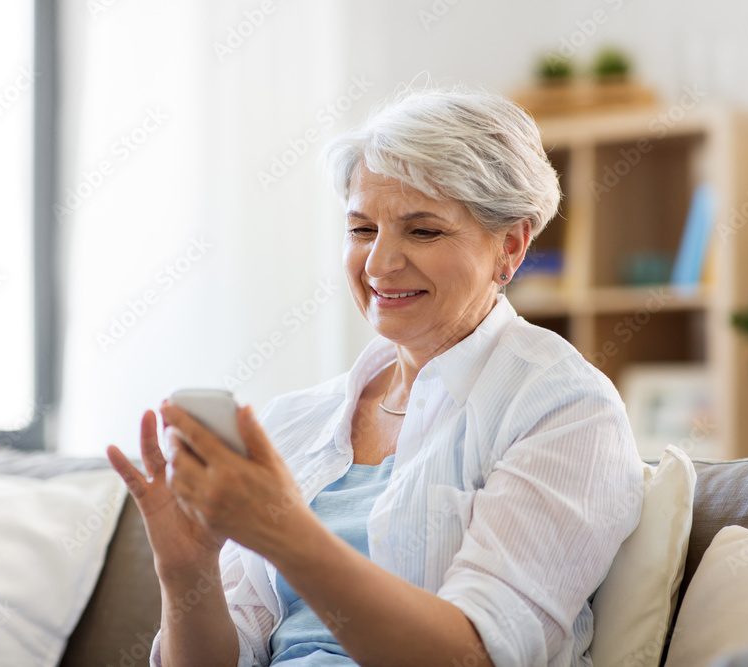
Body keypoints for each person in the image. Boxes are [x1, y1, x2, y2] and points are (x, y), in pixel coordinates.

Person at [108, 85, 643, 667]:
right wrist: (187, 571)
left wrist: (288, 531)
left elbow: (476, 656)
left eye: (423, 231)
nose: (379, 263)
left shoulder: (561, 406)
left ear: (510, 247)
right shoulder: (296, 420)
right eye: (362, 229)